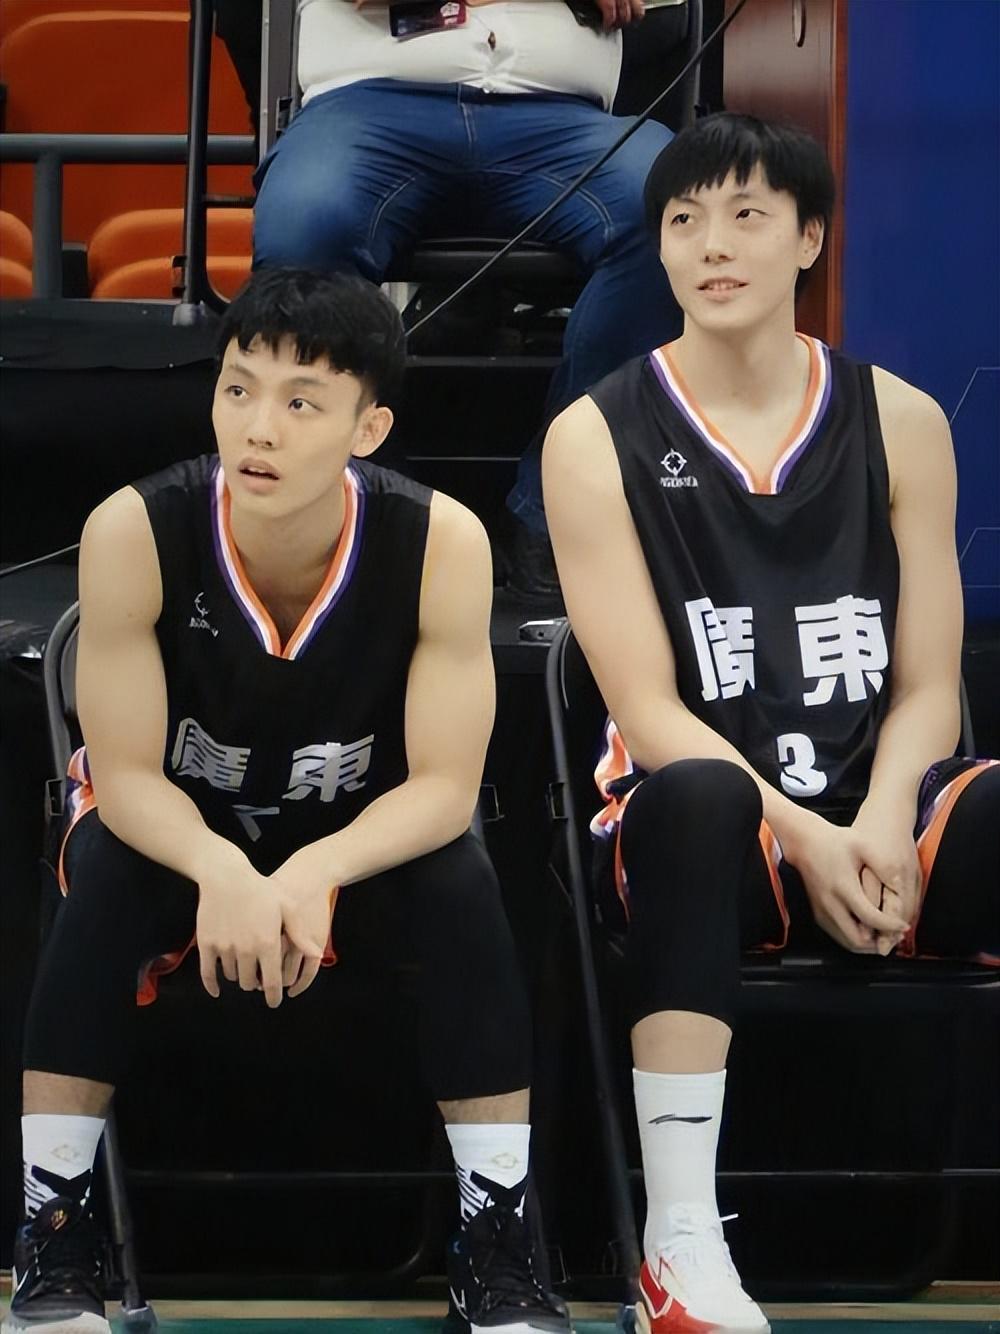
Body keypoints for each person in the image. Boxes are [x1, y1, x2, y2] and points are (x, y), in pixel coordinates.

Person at [4, 269, 566, 1334]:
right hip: (178, 833)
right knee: (104, 863)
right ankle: (53, 1229)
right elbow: (125, 776)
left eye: (302, 402)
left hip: (356, 843)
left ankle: (497, 1237)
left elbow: (445, 787)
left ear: (369, 427)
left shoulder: (441, 540)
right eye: (238, 389)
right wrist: (223, 868)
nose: (258, 428)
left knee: (461, 876)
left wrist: (313, 868)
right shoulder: (135, 528)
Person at [542, 113, 999, 1332]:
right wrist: (806, 834)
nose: (711, 244)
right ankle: (679, 1242)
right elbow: (644, 708)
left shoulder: (901, 418)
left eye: (746, 215)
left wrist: (885, 822)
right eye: (682, 220)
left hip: (882, 818)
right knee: (693, 800)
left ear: (809, 238)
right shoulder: (593, 435)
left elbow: (929, 683)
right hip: (715, 828)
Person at [252, 0, 683, 600]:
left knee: (672, 211)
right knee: (305, 223)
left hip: (562, 118)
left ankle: (558, 511)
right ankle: (368, 501)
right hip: (370, 104)